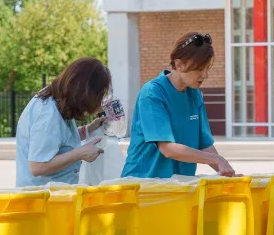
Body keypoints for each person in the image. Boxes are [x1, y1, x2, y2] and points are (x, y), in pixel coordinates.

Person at [122, 32, 236, 179]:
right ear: (179, 64)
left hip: (178, 185)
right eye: (199, 69)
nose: (205, 75)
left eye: (207, 69)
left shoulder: (194, 94)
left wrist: (228, 173)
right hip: (143, 183)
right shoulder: (152, 93)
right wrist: (217, 160)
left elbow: (204, 144)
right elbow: (168, 149)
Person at [15, 57, 111, 187]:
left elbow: (58, 140)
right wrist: (80, 153)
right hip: (44, 195)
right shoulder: (48, 115)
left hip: (56, 192)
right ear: (85, 92)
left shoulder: (57, 100)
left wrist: (89, 129)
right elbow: (37, 166)